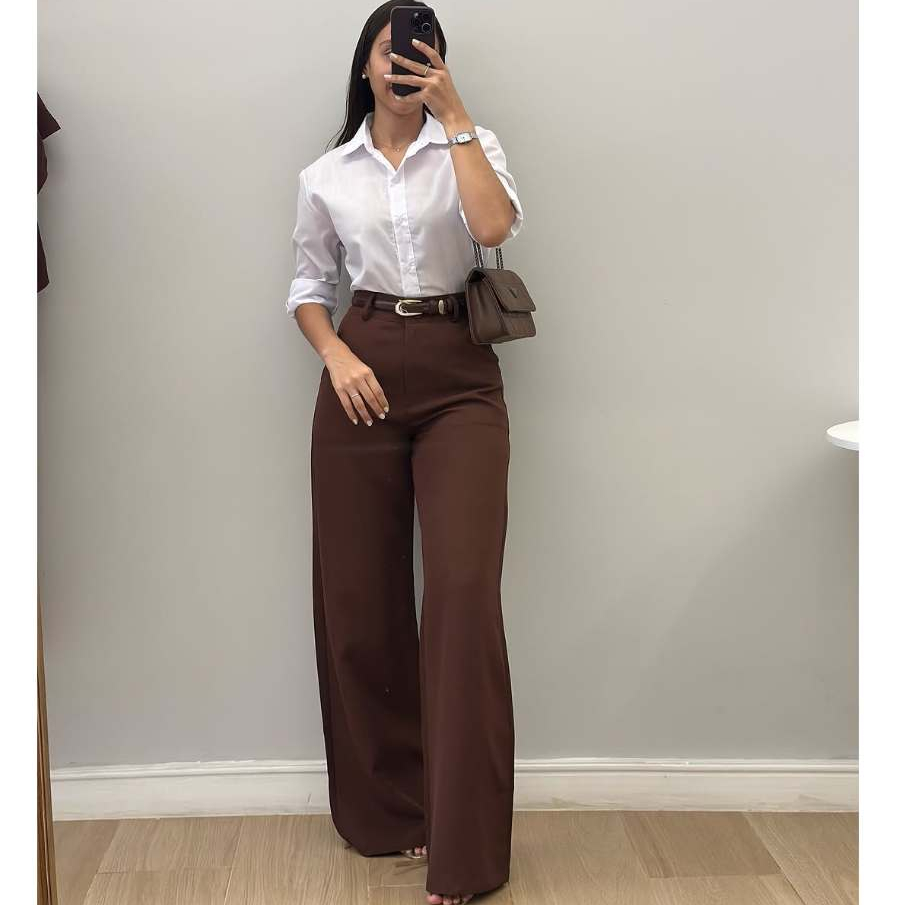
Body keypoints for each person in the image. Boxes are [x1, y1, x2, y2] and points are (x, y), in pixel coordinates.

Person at [286, 4, 524, 903]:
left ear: (438, 66)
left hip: (461, 377)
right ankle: (391, 814)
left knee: (461, 595)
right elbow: (308, 285)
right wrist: (336, 355)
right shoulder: (326, 174)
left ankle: (467, 849)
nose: (403, 67)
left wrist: (453, 115)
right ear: (365, 66)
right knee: (360, 601)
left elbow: (491, 230)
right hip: (362, 372)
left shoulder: (472, 143)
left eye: (421, 55)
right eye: (390, 53)